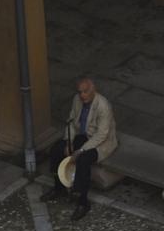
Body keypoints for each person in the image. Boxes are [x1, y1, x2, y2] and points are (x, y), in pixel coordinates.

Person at [43, 76, 117, 220]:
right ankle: (58, 187)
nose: (82, 95)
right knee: (57, 150)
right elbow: (71, 122)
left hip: (100, 142)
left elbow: (101, 134)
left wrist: (81, 150)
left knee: (83, 160)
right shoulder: (77, 100)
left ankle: (82, 201)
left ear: (93, 90)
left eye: (85, 92)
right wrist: (69, 141)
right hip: (82, 135)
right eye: (80, 92)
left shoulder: (102, 106)